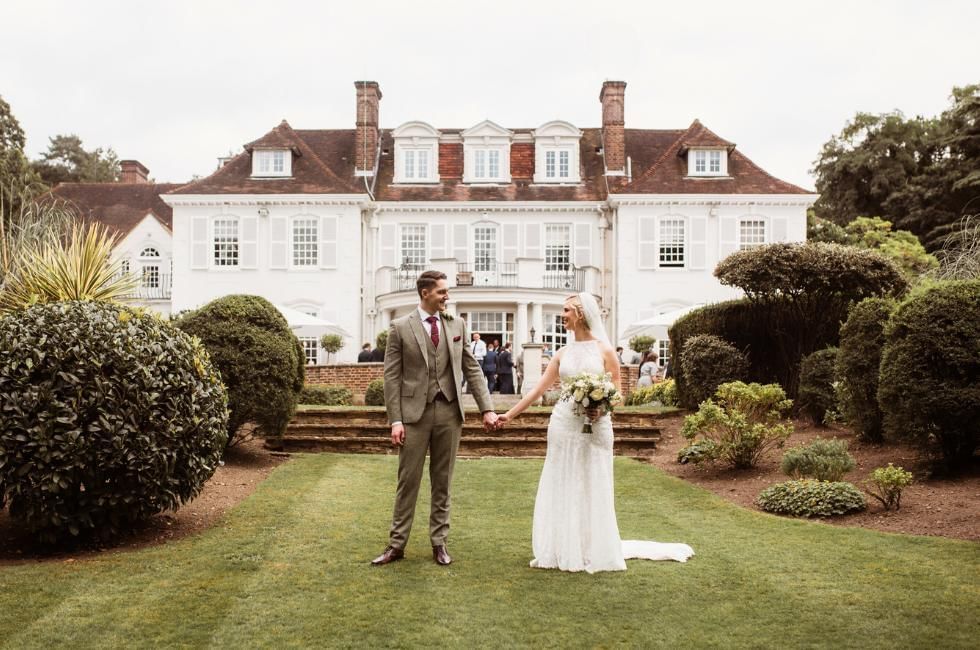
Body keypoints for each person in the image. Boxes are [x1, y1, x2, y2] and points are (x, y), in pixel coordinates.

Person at [496, 293, 694, 572]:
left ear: (579, 313)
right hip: (564, 424)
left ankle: (592, 547)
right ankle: (562, 546)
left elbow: (619, 395)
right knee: (562, 478)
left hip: (596, 426)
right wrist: (509, 415)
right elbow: (539, 389)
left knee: (592, 480)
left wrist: (601, 408)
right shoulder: (562, 353)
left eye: (565, 311)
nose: (562, 315)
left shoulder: (605, 351)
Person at [372, 270, 498, 567]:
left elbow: (472, 368)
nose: (447, 296)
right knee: (408, 481)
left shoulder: (458, 325)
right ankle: (396, 544)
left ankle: (439, 543)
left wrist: (487, 408)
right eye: (442, 291)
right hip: (413, 416)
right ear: (425, 293)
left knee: (443, 482)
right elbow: (392, 377)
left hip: (449, 413)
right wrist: (395, 420)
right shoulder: (400, 327)